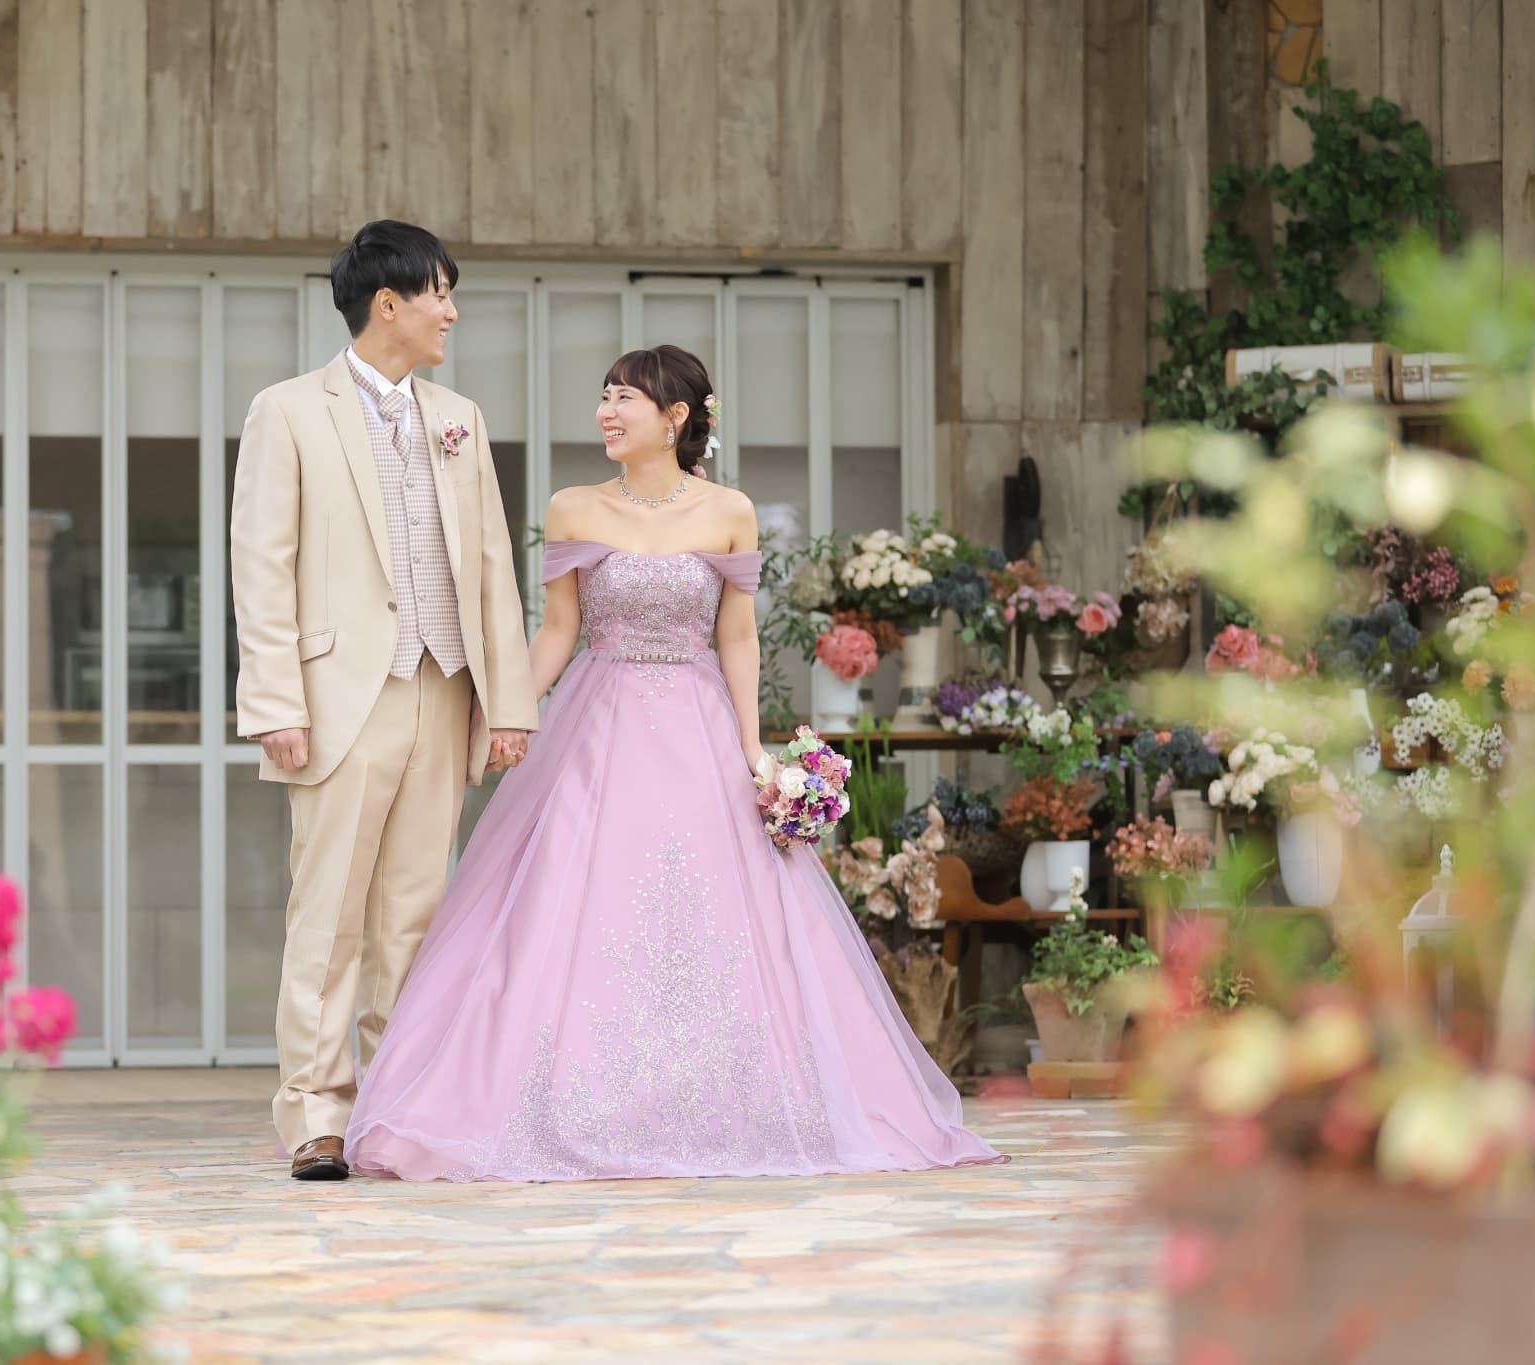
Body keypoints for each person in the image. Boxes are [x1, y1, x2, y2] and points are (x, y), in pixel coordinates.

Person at [344, 345, 1004, 1181]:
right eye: (605, 396)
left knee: (718, 911)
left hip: (698, 727)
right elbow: (558, 630)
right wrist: (505, 711)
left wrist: (753, 749)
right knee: (571, 906)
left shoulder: (730, 511)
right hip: (598, 726)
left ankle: (722, 1102)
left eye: (624, 397)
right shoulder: (575, 506)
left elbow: (738, 636)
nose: (606, 412)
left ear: (676, 416)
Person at [229, 220, 539, 1180]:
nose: (452, 312)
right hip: (337, 697)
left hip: (443, 689)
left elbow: (490, 566)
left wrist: (509, 700)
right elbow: (261, 564)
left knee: (415, 913)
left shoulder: (459, 416)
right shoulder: (288, 411)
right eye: (440, 293)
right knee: (328, 914)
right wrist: (275, 701)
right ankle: (316, 1114)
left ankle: (396, 1107)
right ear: (388, 302)